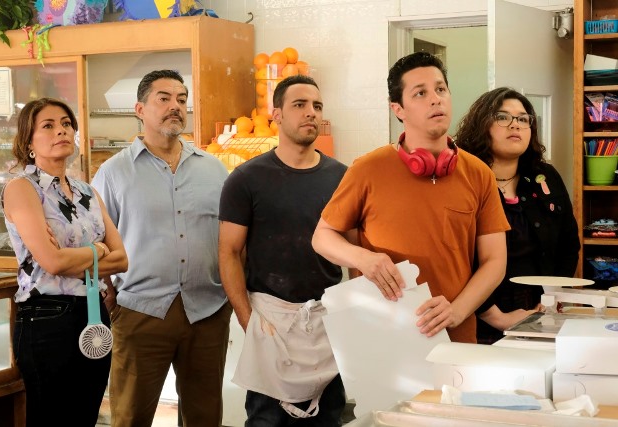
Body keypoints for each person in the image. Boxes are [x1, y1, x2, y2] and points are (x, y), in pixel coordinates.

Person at [312, 52, 510, 343]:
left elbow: (495, 260)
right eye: (420, 93)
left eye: (440, 89)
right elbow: (322, 237)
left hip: (456, 339)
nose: (435, 99)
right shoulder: (367, 169)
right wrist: (363, 258)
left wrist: (457, 311)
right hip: (384, 339)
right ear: (398, 109)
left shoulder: (479, 173)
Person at [91, 69, 232, 426]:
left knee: (205, 417)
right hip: (140, 311)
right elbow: (96, 240)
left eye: (182, 100)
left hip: (207, 312)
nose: (175, 107)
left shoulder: (214, 170)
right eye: (164, 99)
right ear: (139, 109)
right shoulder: (114, 172)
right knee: (130, 416)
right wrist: (109, 295)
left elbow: (230, 238)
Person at [219, 74, 349, 426]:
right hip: (270, 322)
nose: (311, 113)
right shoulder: (245, 179)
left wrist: (352, 317)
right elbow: (229, 253)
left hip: (326, 323)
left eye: (317, 106)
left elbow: (355, 249)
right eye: (299, 105)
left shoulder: (342, 178)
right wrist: (250, 322)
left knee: (328, 419)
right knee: (267, 420)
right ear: (276, 114)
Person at [3, 97, 128, 427]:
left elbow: (122, 258)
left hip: (93, 312)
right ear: (28, 142)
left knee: (85, 417)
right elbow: (52, 262)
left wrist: (76, 257)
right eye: (48, 126)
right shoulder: (22, 189)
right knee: (51, 418)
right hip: (46, 316)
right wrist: (98, 249)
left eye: (66, 124)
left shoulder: (87, 191)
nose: (61, 130)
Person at [456, 87, 580, 344]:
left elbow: (568, 245)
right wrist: (496, 317)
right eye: (503, 117)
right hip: (477, 317)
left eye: (523, 119)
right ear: (482, 125)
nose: (515, 125)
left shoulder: (545, 176)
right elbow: (455, 259)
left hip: (542, 314)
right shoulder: (463, 180)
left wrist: (553, 297)